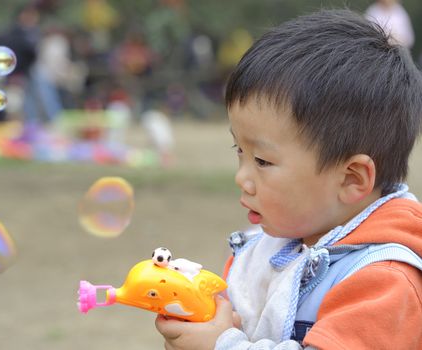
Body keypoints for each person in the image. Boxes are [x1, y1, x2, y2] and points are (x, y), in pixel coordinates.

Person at [155, 9, 422, 349]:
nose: (242, 178)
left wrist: (221, 345)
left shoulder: (384, 282)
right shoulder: (270, 247)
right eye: (239, 151)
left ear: (351, 179)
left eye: (263, 160)